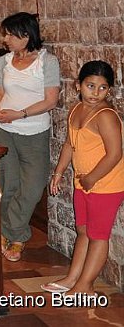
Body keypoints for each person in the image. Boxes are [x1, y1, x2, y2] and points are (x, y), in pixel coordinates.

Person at [41, 61, 124, 296]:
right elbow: (70, 144)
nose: (95, 93)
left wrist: (91, 179)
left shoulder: (106, 116)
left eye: (102, 88)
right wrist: (58, 172)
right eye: (90, 86)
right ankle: (73, 278)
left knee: (98, 236)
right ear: (78, 85)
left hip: (106, 185)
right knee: (83, 231)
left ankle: (85, 286)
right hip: (84, 182)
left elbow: (115, 153)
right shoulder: (76, 110)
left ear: (109, 90)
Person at [0, 12, 60, 262]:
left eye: (10, 34)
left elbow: (51, 100)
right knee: (9, 185)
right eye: (5, 34)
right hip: (2, 130)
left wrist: (19, 114)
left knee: (32, 186)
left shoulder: (47, 61)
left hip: (33, 131)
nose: (6, 39)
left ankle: (5, 230)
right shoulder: (3, 61)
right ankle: (18, 238)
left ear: (26, 35)